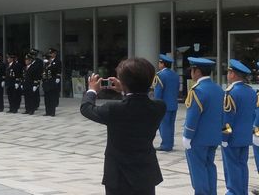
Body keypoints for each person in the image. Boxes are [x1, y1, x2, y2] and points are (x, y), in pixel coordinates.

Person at [80, 58, 166, 195]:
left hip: (118, 175)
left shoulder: (113, 109)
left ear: (124, 82)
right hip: (146, 172)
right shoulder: (159, 107)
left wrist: (92, 90)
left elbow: (86, 108)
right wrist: (125, 90)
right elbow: (139, 102)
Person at [183, 57, 223, 195]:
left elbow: (193, 116)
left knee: (198, 169)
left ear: (198, 71)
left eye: (192, 70)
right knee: (209, 166)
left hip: (198, 138)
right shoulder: (218, 89)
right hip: (214, 137)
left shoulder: (198, 90)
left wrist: (187, 135)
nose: (191, 74)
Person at [221, 59, 257, 195]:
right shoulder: (251, 91)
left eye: (229, 72)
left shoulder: (231, 92)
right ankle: (242, 191)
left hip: (233, 137)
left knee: (232, 166)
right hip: (246, 136)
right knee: (242, 165)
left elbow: (228, 119)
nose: (228, 75)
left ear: (233, 74)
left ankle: (233, 191)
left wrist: (225, 136)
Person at [153, 54, 179, 151]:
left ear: (162, 64)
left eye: (160, 63)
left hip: (164, 105)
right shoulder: (175, 75)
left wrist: (156, 104)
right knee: (171, 125)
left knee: (164, 125)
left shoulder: (160, 75)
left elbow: (158, 92)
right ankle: (170, 143)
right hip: (173, 104)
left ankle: (166, 145)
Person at [42, 48, 61, 116]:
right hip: (46, 83)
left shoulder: (56, 62)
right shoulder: (46, 65)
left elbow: (57, 70)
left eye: (49, 57)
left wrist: (58, 78)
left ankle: (52, 112)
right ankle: (47, 112)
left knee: (52, 98)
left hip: (52, 82)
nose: (48, 59)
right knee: (47, 98)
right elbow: (43, 73)